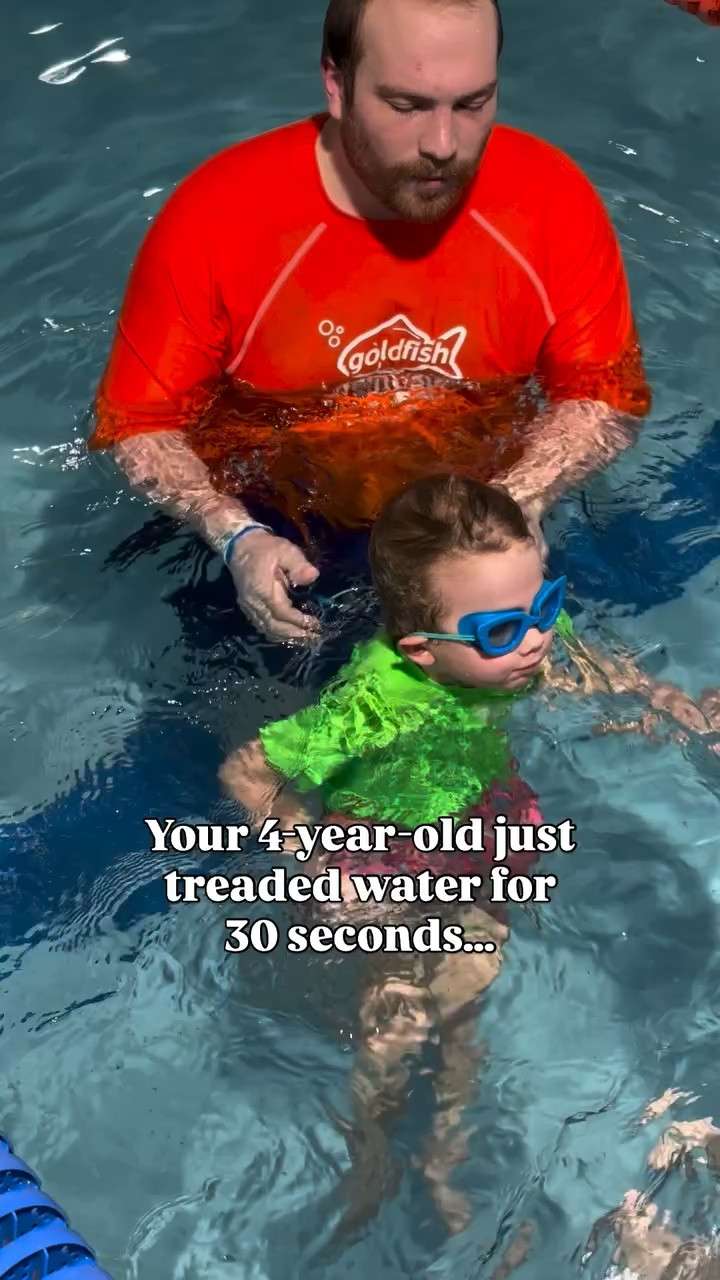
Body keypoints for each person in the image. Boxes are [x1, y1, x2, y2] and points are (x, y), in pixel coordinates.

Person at [219, 472, 719, 1236]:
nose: (539, 637)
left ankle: (446, 1148)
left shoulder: (514, 637)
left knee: (469, 990)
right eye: (502, 630)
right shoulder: (380, 702)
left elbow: (587, 669)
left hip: (485, 834)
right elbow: (249, 771)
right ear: (422, 651)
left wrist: (666, 705)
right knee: (396, 1025)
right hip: (381, 861)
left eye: (545, 606)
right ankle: (371, 1151)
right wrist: (314, 857)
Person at [89, 0, 652, 643]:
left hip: (481, 514)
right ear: (336, 82)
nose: (443, 144)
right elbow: (136, 425)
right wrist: (234, 534)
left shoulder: (552, 203)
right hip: (283, 523)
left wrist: (516, 502)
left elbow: (602, 392)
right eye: (407, 106)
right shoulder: (216, 223)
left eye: (472, 104)